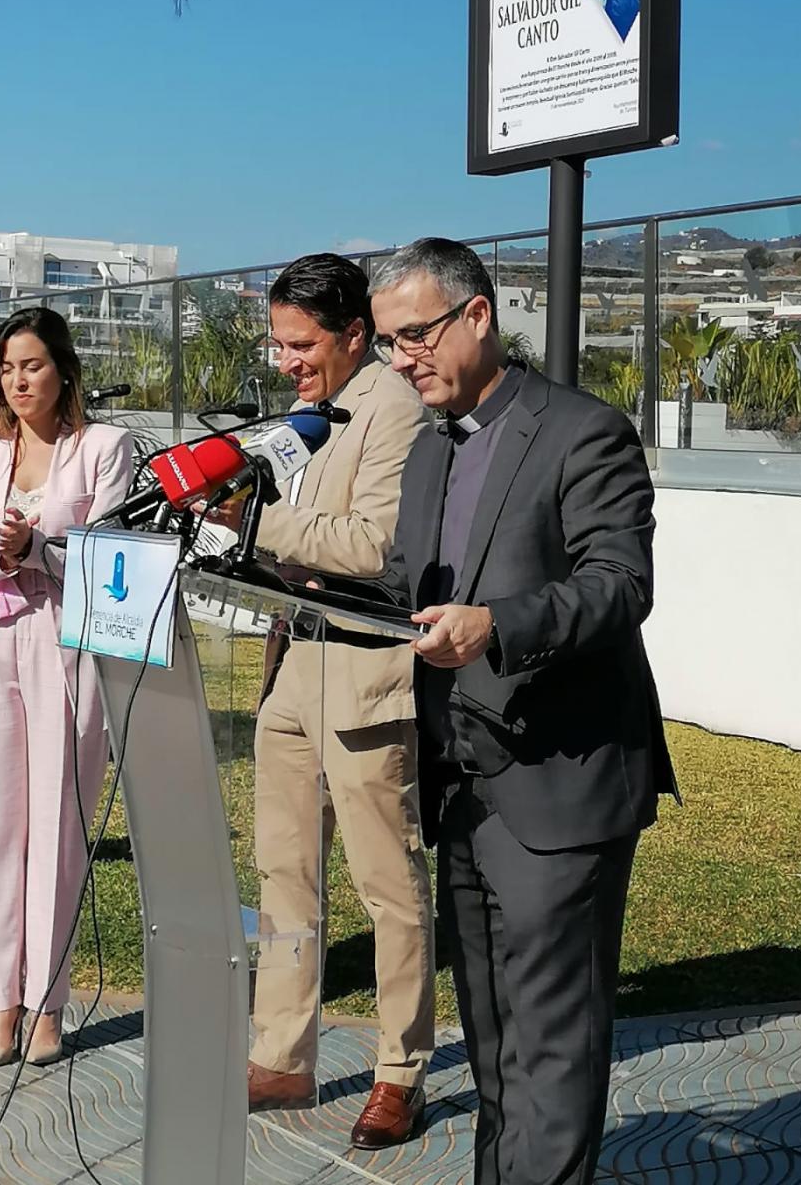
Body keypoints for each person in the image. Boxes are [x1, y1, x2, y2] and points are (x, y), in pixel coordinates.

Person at [370, 239, 679, 1185]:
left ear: (478, 315)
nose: (400, 358)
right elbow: (398, 587)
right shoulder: (428, 448)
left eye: (415, 334)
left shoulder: (583, 431)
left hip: (561, 781)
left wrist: (495, 626)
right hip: (460, 780)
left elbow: (619, 585)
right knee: (495, 1039)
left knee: (552, 1042)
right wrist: (289, 584)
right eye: (385, 344)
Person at [238, 255, 434, 1149]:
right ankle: (282, 1052)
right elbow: (299, 541)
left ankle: (401, 1071)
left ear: (355, 332)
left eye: (301, 344)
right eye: (279, 344)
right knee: (285, 874)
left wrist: (250, 523)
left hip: (363, 675)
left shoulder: (397, 410)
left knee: (385, 884)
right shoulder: (307, 413)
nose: (286, 361)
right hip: (291, 667)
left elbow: (371, 543)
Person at [0, 307, 133, 1069]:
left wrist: (37, 548)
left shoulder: (104, 447)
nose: (19, 380)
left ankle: (47, 1002)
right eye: (8, 367)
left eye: (33, 366)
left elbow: (117, 560)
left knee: (57, 826)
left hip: (65, 649)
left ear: (64, 368)